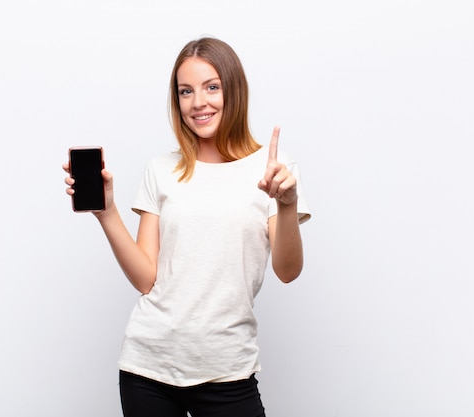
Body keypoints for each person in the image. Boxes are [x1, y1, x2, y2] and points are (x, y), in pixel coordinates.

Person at [64, 36, 311, 417]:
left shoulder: (274, 170)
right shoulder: (162, 169)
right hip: (149, 368)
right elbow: (147, 278)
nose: (199, 102)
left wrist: (287, 202)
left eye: (212, 87)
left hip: (228, 370)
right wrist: (107, 211)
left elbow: (288, 270)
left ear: (235, 90)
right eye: (186, 91)